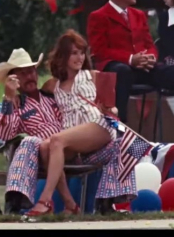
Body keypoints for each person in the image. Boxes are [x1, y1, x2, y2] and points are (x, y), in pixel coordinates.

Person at [24, 31, 137, 216]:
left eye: (82, 52)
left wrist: (109, 110)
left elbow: (113, 109)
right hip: (72, 134)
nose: (79, 57)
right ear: (63, 56)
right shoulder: (52, 85)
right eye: (74, 53)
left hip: (98, 124)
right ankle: (70, 205)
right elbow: (34, 100)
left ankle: (44, 201)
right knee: (46, 147)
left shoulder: (93, 76)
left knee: (56, 140)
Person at [87, 0, 174, 142]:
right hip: (119, 68)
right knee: (122, 71)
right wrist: (131, 58)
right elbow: (99, 50)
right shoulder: (98, 16)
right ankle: (120, 128)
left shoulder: (138, 15)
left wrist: (150, 58)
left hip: (145, 67)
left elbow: (149, 44)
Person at [0, 48, 80, 216]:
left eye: (32, 71)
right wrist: (8, 100)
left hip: (70, 147)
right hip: (39, 155)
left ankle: (111, 201)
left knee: (113, 134)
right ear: (14, 79)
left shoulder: (52, 96)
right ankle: (15, 201)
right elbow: (5, 135)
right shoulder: (15, 104)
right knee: (30, 141)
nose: (30, 77)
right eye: (23, 74)